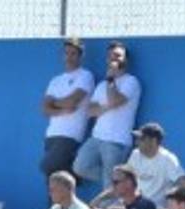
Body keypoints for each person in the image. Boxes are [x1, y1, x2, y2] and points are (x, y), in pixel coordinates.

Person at [73, 40, 141, 190]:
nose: (113, 59)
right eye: (110, 56)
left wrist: (111, 80)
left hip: (117, 141)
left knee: (109, 186)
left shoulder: (131, 82)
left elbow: (115, 99)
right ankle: (118, 182)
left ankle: (113, 192)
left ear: (125, 60)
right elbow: (90, 111)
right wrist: (109, 105)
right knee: (80, 167)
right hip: (97, 137)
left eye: (118, 56)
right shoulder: (101, 86)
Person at [38, 37, 97, 176]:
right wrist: (62, 110)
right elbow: (44, 109)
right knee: (53, 179)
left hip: (70, 134)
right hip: (51, 134)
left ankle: (75, 176)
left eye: (73, 53)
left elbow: (72, 102)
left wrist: (54, 103)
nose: (69, 57)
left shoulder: (85, 76)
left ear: (80, 56)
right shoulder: (56, 80)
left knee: (47, 166)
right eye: (66, 53)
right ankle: (71, 179)